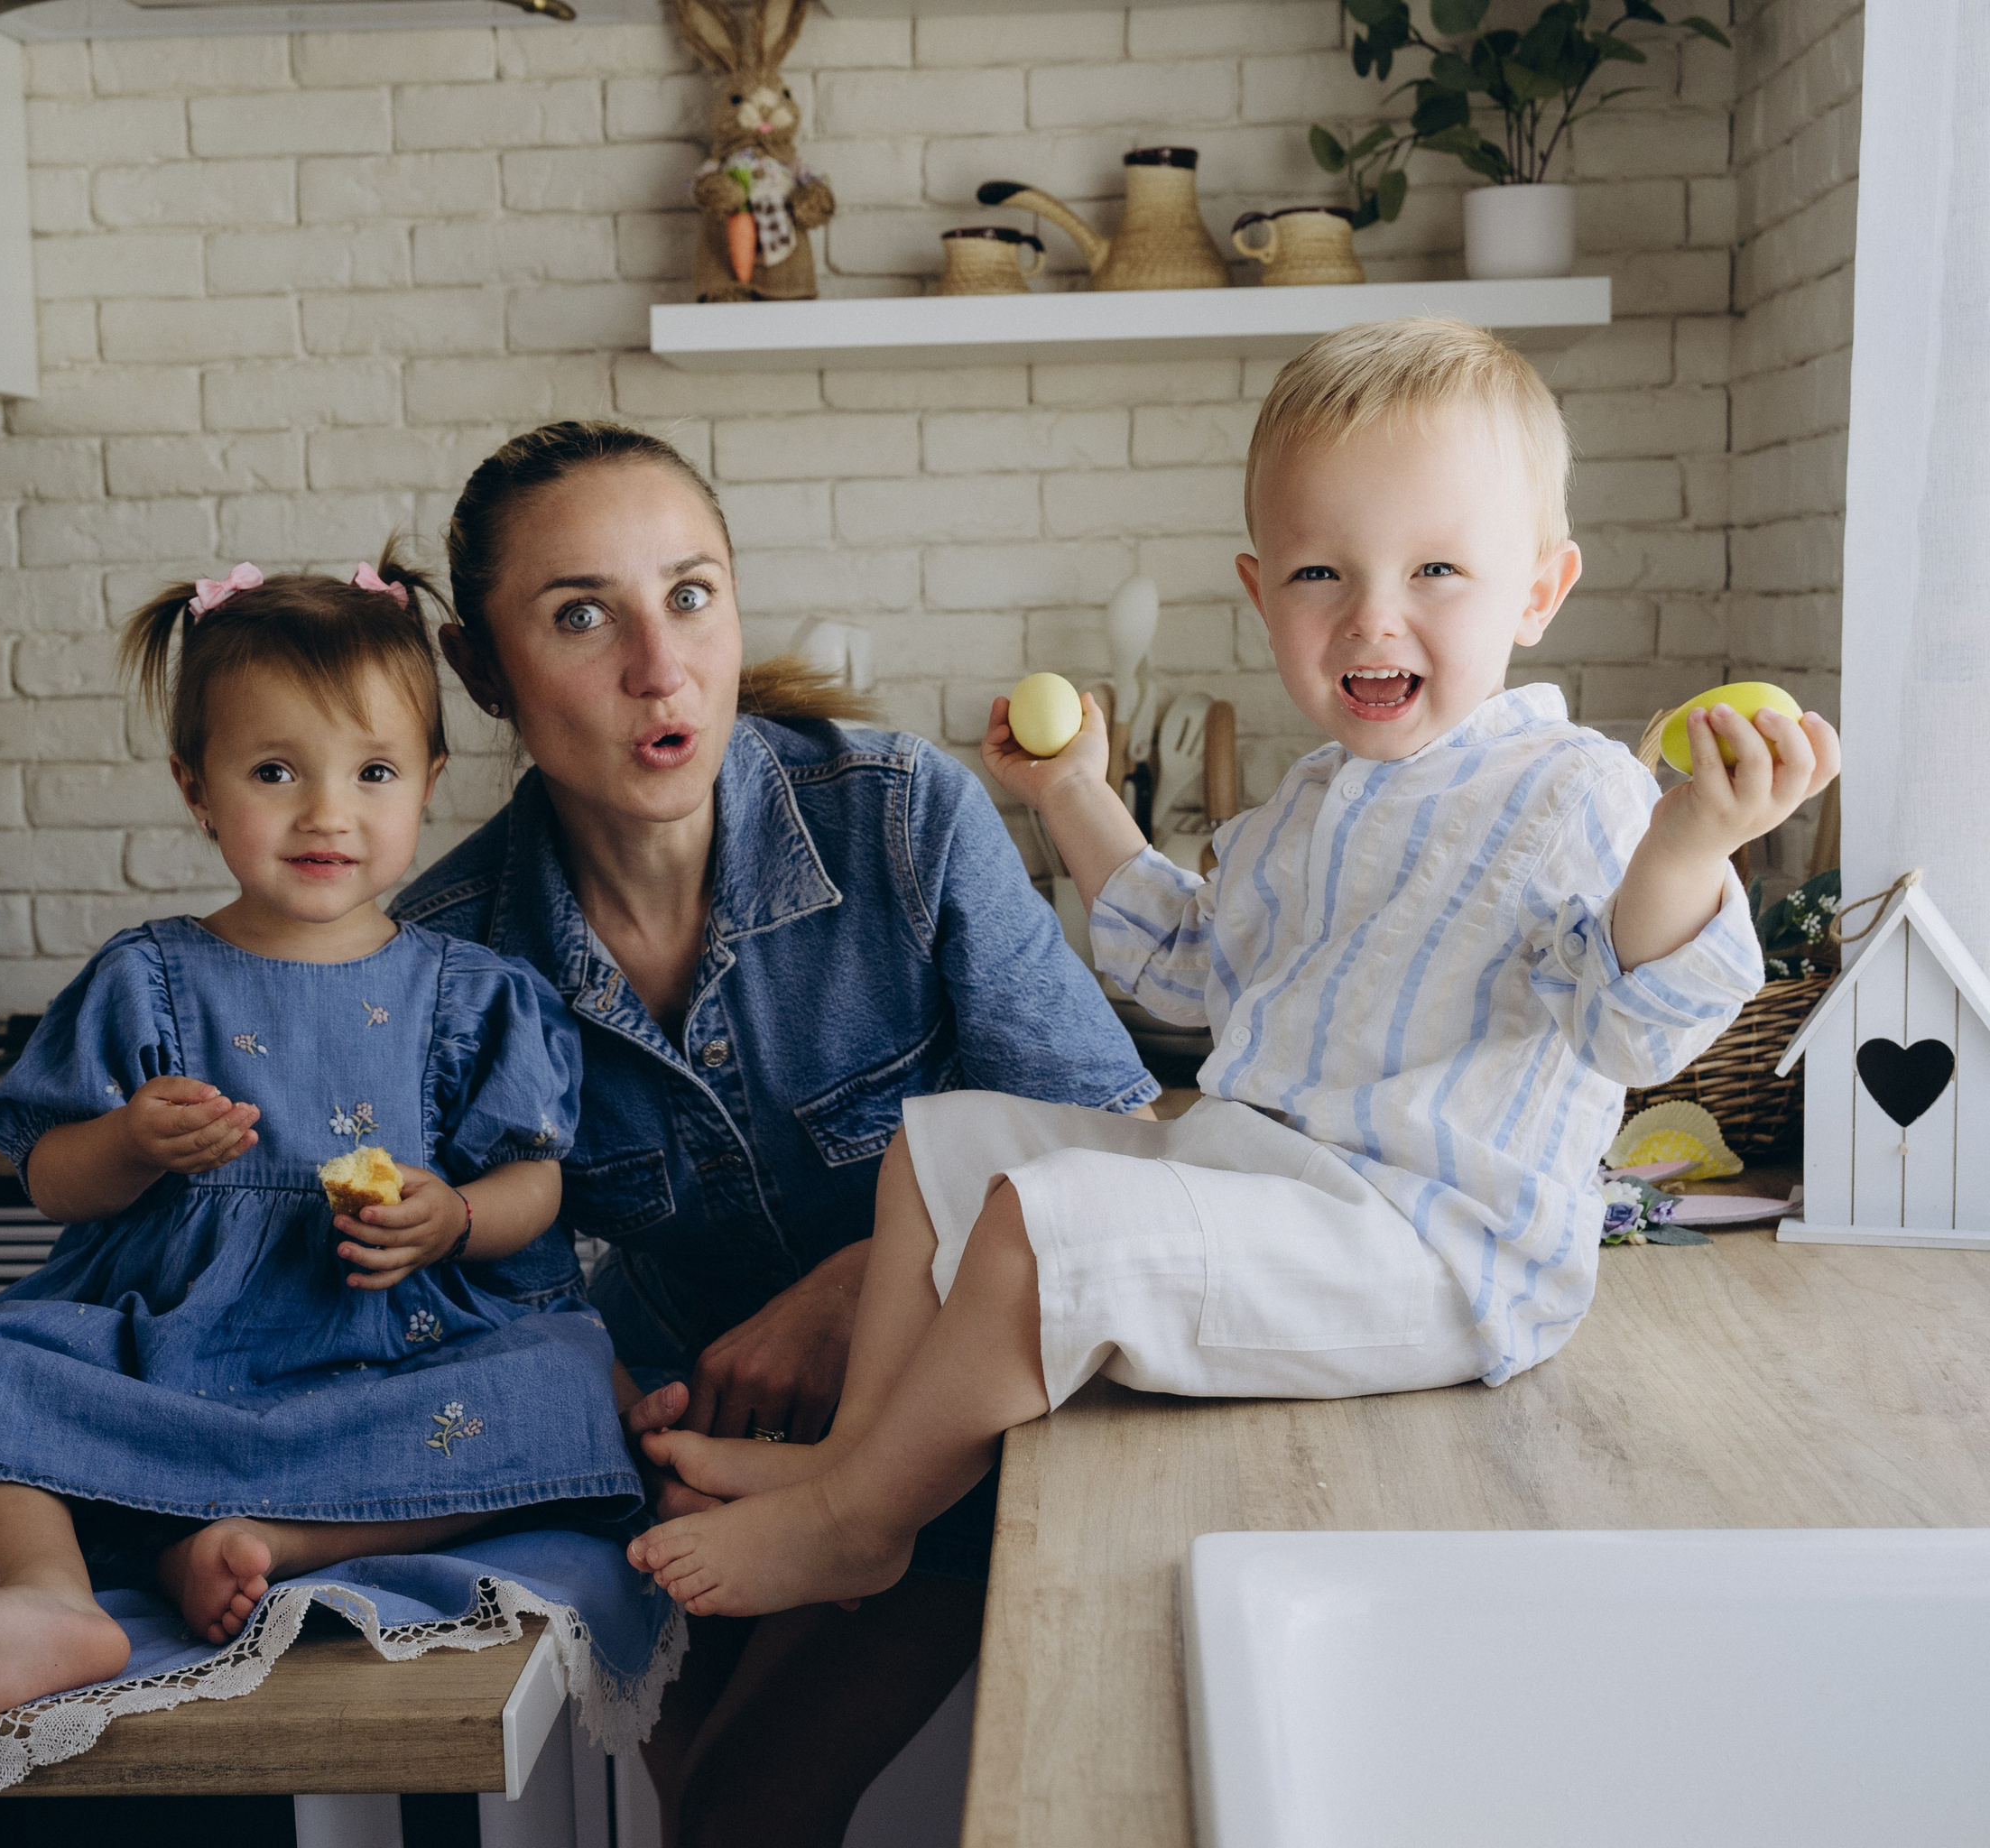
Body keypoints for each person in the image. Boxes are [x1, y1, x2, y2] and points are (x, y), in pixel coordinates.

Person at [626, 316, 1845, 1617]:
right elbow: (1189, 959)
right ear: (1263, 597)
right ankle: (854, 1458)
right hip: (1263, 1171)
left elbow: (1631, 1025)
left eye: (1438, 568)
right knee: (936, 1154)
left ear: (1538, 592)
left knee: (1055, 1228)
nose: (1375, 616)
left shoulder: (1574, 792)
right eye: (1323, 575)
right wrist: (1074, 795)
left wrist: (1694, 840)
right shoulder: (1315, 802)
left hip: (1429, 1245)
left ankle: (859, 1522)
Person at [390, 421, 1158, 1847]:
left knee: (746, 1807)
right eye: (581, 616)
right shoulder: (448, 957)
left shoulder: (898, 818)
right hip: (677, 1429)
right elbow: (474, 1275)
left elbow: (1107, 1139)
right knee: (714, 1812)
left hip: (951, 1414)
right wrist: (609, 1390)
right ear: (482, 669)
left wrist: (855, 1282)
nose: (657, 667)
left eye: (689, 595)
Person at [0, 554, 638, 1726]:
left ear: (429, 781)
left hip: (391, 1354)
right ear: (197, 788)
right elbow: (52, 1182)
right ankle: (49, 1596)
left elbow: (538, 1176)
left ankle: (260, 1540)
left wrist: (459, 1219)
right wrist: (129, 1140)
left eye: (372, 770)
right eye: (275, 770)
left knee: (578, 1385)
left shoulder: (475, 992)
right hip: (170, 1353)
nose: (327, 811)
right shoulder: (147, 978)